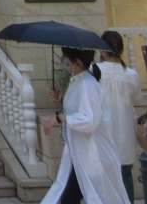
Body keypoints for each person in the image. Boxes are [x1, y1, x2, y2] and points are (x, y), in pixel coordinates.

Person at [40, 47, 129, 204]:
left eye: (67, 56)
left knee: (71, 197)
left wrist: (60, 118)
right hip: (80, 152)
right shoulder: (78, 81)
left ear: (77, 61)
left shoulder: (87, 84)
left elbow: (89, 120)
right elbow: (79, 109)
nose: (64, 59)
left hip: (91, 153)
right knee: (69, 196)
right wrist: (61, 101)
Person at [97, 31, 145, 201]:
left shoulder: (94, 71)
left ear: (103, 50)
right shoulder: (131, 75)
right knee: (125, 175)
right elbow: (137, 97)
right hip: (125, 130)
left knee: (103, 179)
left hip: (101, 130)